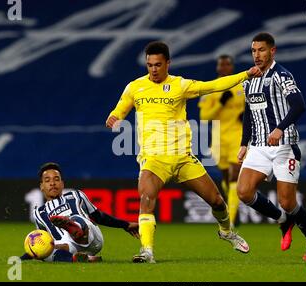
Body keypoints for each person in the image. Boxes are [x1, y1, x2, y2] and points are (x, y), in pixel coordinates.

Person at [106, 41, 262, 263]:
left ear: (168, 63)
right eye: (149, 65)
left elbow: (214, 86)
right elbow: (120, 108)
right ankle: (147, 251)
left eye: (158, 65)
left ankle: (226, 231)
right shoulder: (135, 87)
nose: (153, 69)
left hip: (183, 158)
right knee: (146, 198)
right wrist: (114, 117)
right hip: (153, 159)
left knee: (217, 201)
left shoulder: (180, 85)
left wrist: (245, 75)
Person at [237, 32, 306, 261]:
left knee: (288, 201)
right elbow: (248, 113)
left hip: (284, 145)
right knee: (243, 192)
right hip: (259, 147)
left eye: (261, 50)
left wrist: (280, 128)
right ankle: (283, 220)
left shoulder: (282, 75)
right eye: (253, 50)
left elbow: (299, 105)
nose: (257, 55)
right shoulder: (249, 78)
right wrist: (244, 143)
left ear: (272, 51)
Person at [20, 162, 139, 262]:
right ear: (41, 186)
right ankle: (80, 258)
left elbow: (98, 216)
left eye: (56, 179)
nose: (52, 183)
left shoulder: (75, 195)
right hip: (68, 247)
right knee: (48, 251)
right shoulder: (39, 213)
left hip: (91, 238)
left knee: (76, 218)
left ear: (62, 184)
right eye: (47, 180)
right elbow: (42, 242)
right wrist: (26, 256)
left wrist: (125, 224)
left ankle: (74, 227)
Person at [198, 54, 245, 228]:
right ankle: (234, 206)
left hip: (237, 136)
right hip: (218, 139)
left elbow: (254, 108)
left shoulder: (242, 86)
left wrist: (246, 114)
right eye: (221, 65)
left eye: (227, 65)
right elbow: (204, 117)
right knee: (226, 176)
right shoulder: (211, 88)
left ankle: (231, 219)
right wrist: (220, 104)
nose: (224, 68)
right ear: (218, 68)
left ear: (231, 68)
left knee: (234, 175)